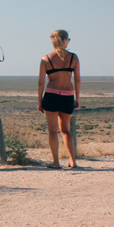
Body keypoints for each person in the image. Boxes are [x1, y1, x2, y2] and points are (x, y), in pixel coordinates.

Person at [37, 29, 81, 168]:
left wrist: (39, 100)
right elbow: (78, 80)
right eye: (68, 39)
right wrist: (77, 98)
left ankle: (56, 162)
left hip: (51, 95)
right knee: (66, 130)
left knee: (52, 131)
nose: (69, 41)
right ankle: (73, 161)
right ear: (64, 40)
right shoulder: (74, 58)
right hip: (68, 95)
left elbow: (41, 83)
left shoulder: (46, 59)